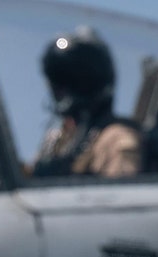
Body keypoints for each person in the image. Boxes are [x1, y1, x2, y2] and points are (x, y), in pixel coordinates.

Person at [31, 27, 143, 178]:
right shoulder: (60, 138)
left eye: (70, 80)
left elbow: (123, 195)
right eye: (58, 82)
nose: (59, 91)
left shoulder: (117, 139)